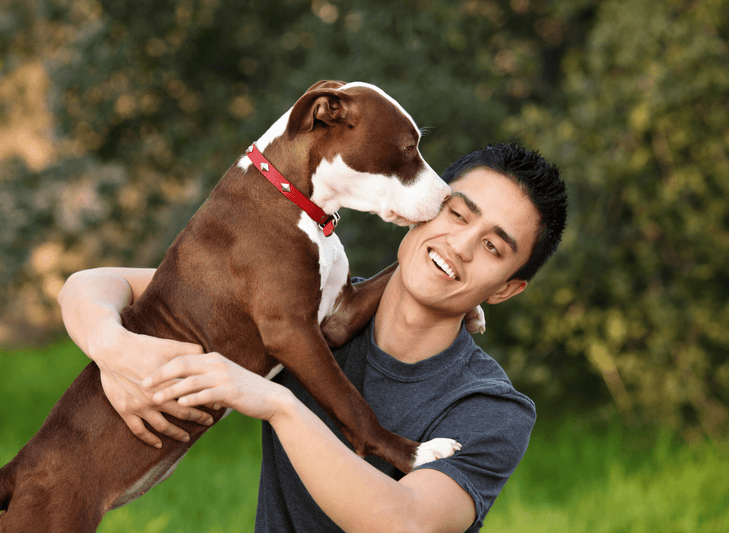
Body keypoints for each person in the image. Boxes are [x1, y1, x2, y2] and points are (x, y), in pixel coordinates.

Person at [58, 142, 568, 533]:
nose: (458, 245)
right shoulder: (317, 307)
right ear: (426, 205)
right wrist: (116, 350)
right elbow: (98, 284)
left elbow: (400, 521)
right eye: (457, 213)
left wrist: (276, 402)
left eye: (492, 248)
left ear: (505, 289)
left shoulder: (491, 408)